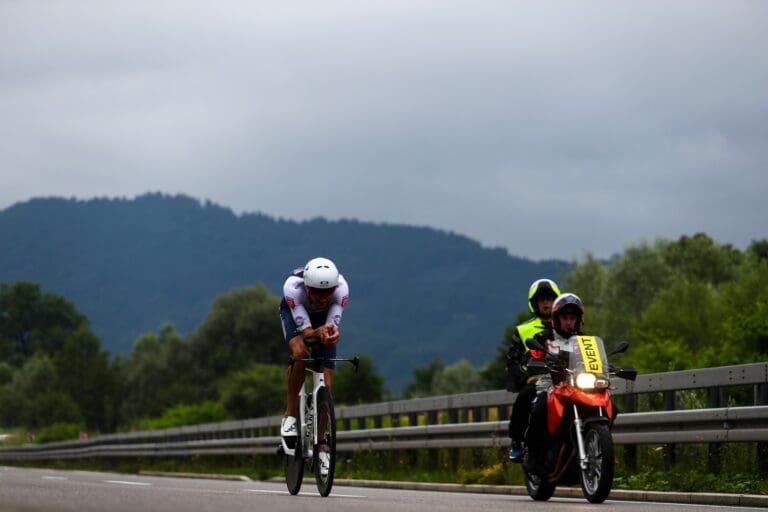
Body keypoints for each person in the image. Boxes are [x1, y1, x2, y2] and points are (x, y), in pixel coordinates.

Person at [279, 257, 349, 474]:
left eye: (327, 292)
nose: (322, 297)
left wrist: (331, 333)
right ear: (307, 287)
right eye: (317, 292)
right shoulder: (293, 289)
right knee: (301, 352)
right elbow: (308, 333)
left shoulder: (342, 291)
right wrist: (316, 333)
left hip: (321, 321)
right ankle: (290, 415)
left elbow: (331, 325)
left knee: (326, 382)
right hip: (295, 316)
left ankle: (322, 445)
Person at [523, 292, 585, 472]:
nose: (568, 322)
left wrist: (608, 365)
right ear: (557, 318)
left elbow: (595, 359)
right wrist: (535, 364)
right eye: (565, 317)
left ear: (578, 319)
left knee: (609, 404)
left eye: (572, 318)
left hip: (577, 386)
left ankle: (595, 443)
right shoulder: (545, 337)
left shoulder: (584, 340)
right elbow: (530, 357)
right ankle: (533, 454)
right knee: (540, 406)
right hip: (550, 384)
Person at [505, 278, 560, 461]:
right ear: (534, 303)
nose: (546, 302)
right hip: (537, 381)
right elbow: (511, 361)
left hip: (565, 379)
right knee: (525, 396)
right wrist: (524, 378)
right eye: (542, 299)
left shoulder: (569, 325)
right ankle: (517, 441)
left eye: (550, 298)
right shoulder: (523, 330)